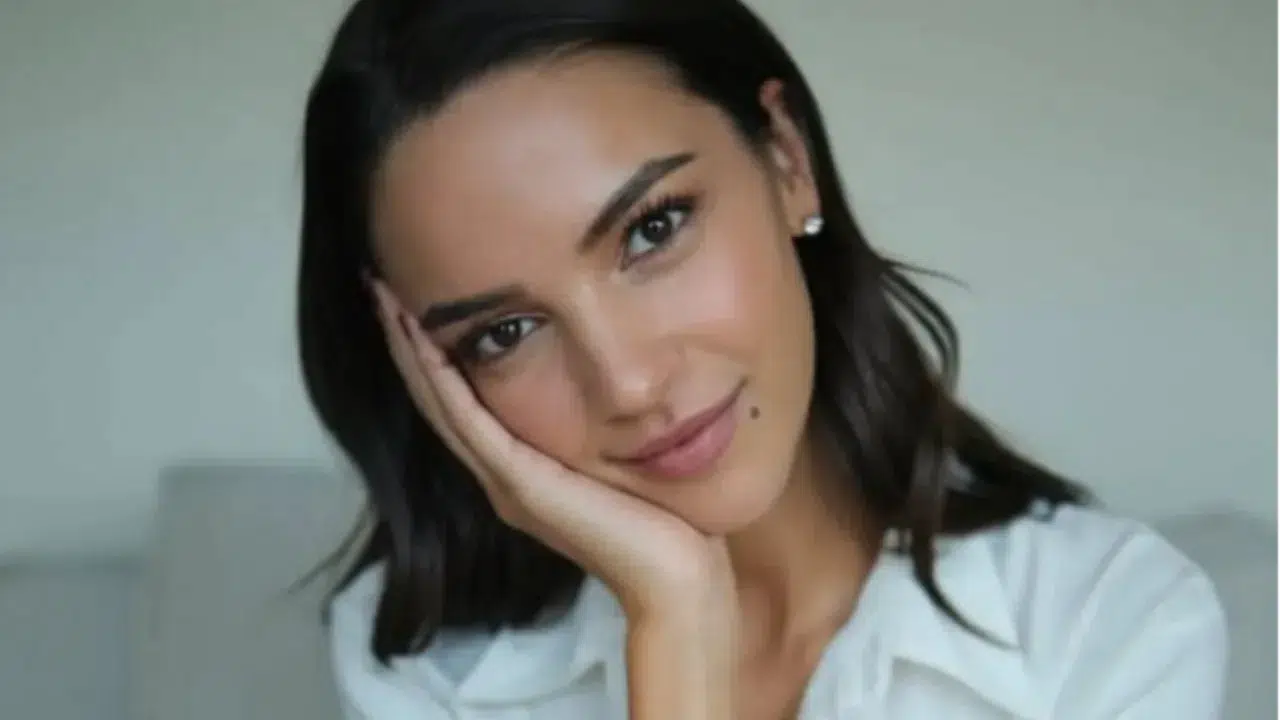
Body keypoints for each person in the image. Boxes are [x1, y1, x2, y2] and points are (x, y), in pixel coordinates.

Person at [296, 1, 1228, 718]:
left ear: (787, 160)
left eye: (653, 229)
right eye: (503, 334)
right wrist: (677, 627)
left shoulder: (1112, 628)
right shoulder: (429, 668)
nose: (629, 383)